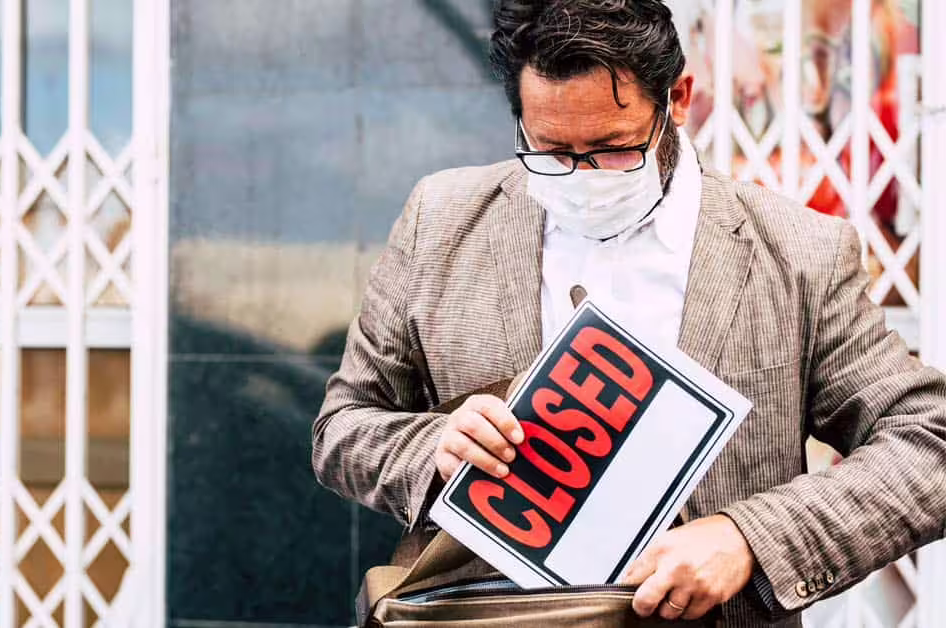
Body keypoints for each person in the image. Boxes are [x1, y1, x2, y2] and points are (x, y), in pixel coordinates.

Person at [310, 1, 946, 626]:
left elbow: (928, 442)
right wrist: (434, 448)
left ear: (678, 100)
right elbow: (342, 429)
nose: (583, 175)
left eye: (615, 150)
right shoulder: (443, 220)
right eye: (552, 150)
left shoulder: (798, 253)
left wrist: (748, 538)